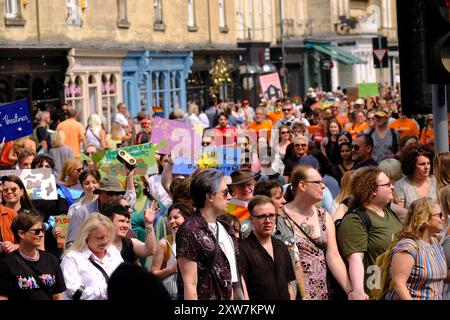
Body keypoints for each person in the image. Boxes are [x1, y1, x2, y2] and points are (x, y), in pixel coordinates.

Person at [280, 165, 353, 300]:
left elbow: (334, 257)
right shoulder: (280, 216)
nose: (323, 186)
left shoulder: (324, 216)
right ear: (302, 185)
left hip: (323, 292)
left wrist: (351, 291)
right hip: (293, 292)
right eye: (317, 182)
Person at [176, 169, 248, 300]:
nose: (230, 197)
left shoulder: (227, 228)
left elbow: (236, 280)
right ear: (210, 196)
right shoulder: (189, 230)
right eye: (225, 193)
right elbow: (190, 286)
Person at [337, 167, 402, 299]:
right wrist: (358, 291)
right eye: (387, 184)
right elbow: (355, 258)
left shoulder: (388, 212)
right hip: (374, 293)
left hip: (395, 291)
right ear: (373, 190)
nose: (393, 187)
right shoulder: (355, 219)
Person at [386, 197, 447, 300]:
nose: (443, 218)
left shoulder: (435, 243)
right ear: (426, 219)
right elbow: (398, 284)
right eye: (439, 215)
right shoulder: (407, 247)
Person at [239, 196, 296, 300]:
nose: (268, 220)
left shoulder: (281, 246)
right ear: (251, 219)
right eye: (261, 216)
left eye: (271, 215)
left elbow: (288, 285)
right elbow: (242, 290)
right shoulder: (243, 250)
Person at [0, 211, 66, 300]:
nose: (42, 235)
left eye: (42, 230)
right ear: (21, 234)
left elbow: (58, 296)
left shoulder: (51, 260)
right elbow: (3, 297)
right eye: (37, 231)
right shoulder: (7, 264)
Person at [60, 213, 123, 300]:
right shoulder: (72, 258)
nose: (105, 241)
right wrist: (107, 291)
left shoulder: (114, 252)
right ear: (86, 236)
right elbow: (73, 291)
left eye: (107, 237)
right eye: (100, 238)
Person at [150, 203, 193, 299]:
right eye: (170, 218)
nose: (171, 221)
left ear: (187, 218)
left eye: (176, 217)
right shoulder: (164, 243)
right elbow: (152, 274)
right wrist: (171, 269)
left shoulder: (198, 241)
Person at [99, 199, 156, 265]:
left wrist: (148, 223)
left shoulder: (130, 243)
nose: (126, 226)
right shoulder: (98, 245)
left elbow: (150, 250)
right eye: (121, 221)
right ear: (109, 222)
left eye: (128, 222)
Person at [394, 143, 437, 210]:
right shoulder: (401, 185)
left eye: (428, 163)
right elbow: (399, 212)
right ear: (412, 166)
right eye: (422, 164)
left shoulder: (435, 180)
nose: (427, 167)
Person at [227, 168, 261, 238]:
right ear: (233, 188)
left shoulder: (261, 203)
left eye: (249, 184)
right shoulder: (228, 208)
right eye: (241, 186)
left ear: (254, 184)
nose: (246, 189)